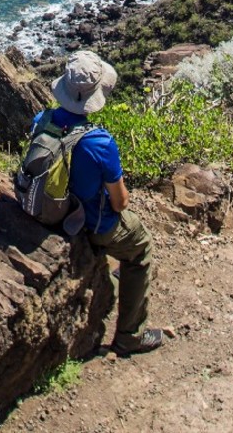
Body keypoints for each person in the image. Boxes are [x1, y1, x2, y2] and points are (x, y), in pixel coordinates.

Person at [34, 49, 163, 355]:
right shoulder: (99, 142)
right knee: (141, 247)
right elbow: (119, 203)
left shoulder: (41, 120)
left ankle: (109, 275)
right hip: (93, 225)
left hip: (51, 213)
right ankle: (130, 335)